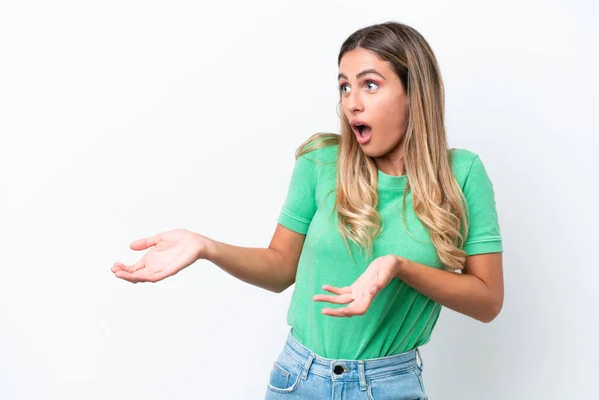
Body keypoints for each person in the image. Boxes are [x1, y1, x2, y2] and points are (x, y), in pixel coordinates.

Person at [111, 20, 504, 400]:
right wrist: (206, 247)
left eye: (370, 85)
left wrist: (398, 267)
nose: (352, 102)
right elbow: (281, 267)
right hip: (299, 380)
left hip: (390, 385)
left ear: (414, 93)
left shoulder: (462, 174)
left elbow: (487, 301)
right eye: (344, 87)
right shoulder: (320, 162)